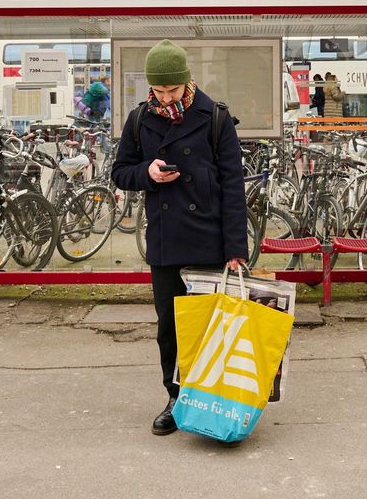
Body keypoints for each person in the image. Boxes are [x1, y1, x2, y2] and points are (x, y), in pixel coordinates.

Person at [110, 39, 248, 437]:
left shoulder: (216, 118)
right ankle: (175, 397)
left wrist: (236, 248)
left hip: (210, 241)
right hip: (166, 244)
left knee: (209, 327)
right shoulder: (139, 119)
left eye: (172, 89)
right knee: (169, 328)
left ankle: (212, 399)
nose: (166, 97)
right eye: (159, 90)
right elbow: (119, 172)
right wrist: (147, 174)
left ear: (186, 81)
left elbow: (233, 187)